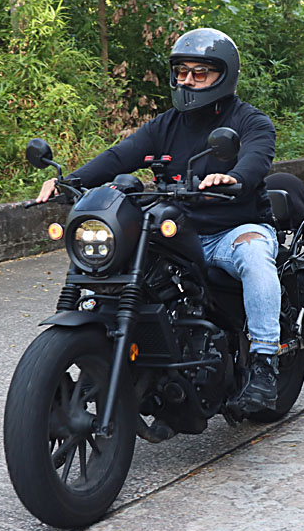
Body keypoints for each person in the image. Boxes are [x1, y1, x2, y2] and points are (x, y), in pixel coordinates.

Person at [36, 28, 281, 413]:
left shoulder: (251, 121)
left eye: (199, 73)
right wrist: (70, 181)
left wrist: (234, 177)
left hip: (234, 230)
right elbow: (120, 156)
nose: (187, 81)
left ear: (224, 76)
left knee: (255, 258)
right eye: (182, 72)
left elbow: (255, 159)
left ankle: (265, 363)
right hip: (179, 231)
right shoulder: (166, 124)